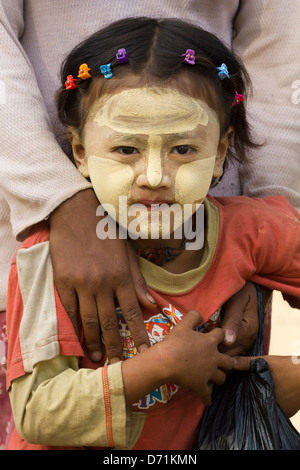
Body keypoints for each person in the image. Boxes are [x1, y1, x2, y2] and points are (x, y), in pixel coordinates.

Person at [5, 17, 300, 450]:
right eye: (126, 149)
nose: (156, 176)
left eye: (183, 149)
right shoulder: (47, 258)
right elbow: (36, 412)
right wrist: (157, 368)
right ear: (81, 152)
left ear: (220, 153)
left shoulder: (252, 229)